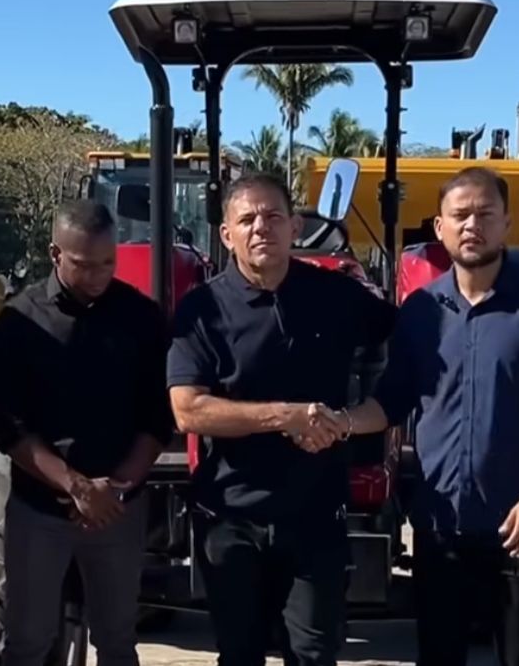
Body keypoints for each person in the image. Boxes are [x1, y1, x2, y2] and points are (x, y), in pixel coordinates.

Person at [167, 172, 396, 666]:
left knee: (314, 655)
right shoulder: (201, 310)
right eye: (246, 219)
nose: (261, 228)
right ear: (227, 234)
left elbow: (410, 345)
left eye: (273, 216)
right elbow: (188, 410)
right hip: (232, 518)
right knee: (240, 656)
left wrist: (356, 419)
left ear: (295, 227)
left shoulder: (338, 296)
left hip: (316, 517)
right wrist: (285, 417)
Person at [373, 166, 519, 666]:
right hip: (440, 525)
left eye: (484, 213)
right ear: (439, 228)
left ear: (506, 222)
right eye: (460, 215)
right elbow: (390, 402)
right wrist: (328, 421)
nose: (472, 225)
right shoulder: (421, 312)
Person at [0, 199, 173, 666]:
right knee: (27, 641)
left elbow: (157, 418)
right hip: (41, 511)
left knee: (117, 641)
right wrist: (76, 486)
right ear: (55, 254)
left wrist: (116, 489)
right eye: (84, 265)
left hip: (119, 510)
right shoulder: (18, 321)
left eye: (107, 263)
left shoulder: (142, 318)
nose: (98, 275)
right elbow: (9, 427)